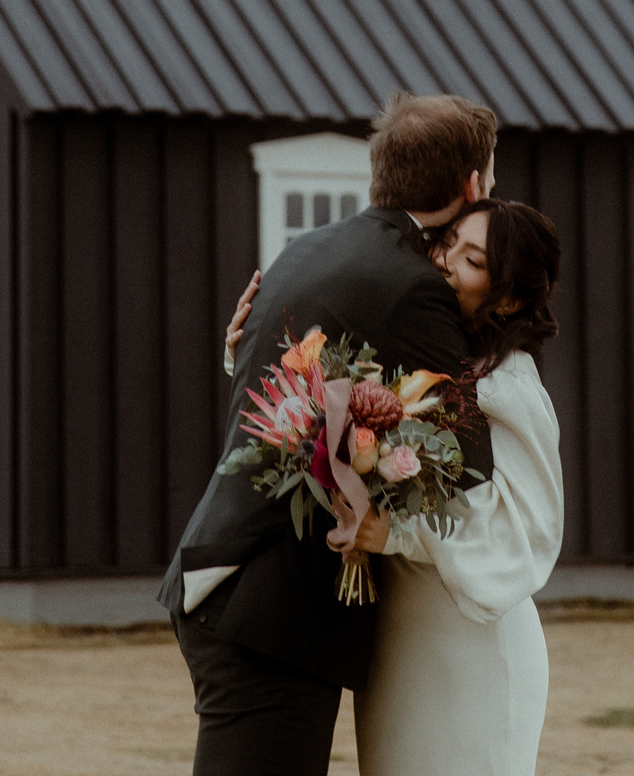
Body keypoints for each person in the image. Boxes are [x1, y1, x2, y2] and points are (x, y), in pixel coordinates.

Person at [160, 92, 501, 776]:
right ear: (471, 184)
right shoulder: (414, 286)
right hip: (272, 610)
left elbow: (262, 370)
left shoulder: (308, 246)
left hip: (228, 577)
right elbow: (466, 460)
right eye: (491, 175)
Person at [221, 195, 565, 776]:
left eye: (473, 259)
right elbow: (320, 409)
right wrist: (246, 354)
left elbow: (525, 533)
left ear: (508, 297)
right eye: (448, 243)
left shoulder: (509, 385)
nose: (446, 261)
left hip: (472, 648)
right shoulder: (422, 353)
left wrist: (396, 535)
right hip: (394, 646)